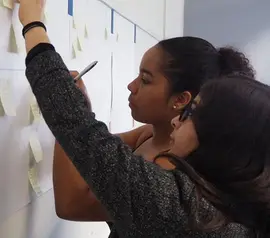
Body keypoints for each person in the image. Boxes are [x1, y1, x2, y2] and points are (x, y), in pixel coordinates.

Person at [51, 10, 256, 238]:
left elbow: (72, 203)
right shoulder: (148, 134)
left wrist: (71, 111)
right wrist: (78, 113)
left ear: (181, 100)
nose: (131, 86)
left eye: (145, 80)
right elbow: (92, 149)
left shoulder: (177, 175)